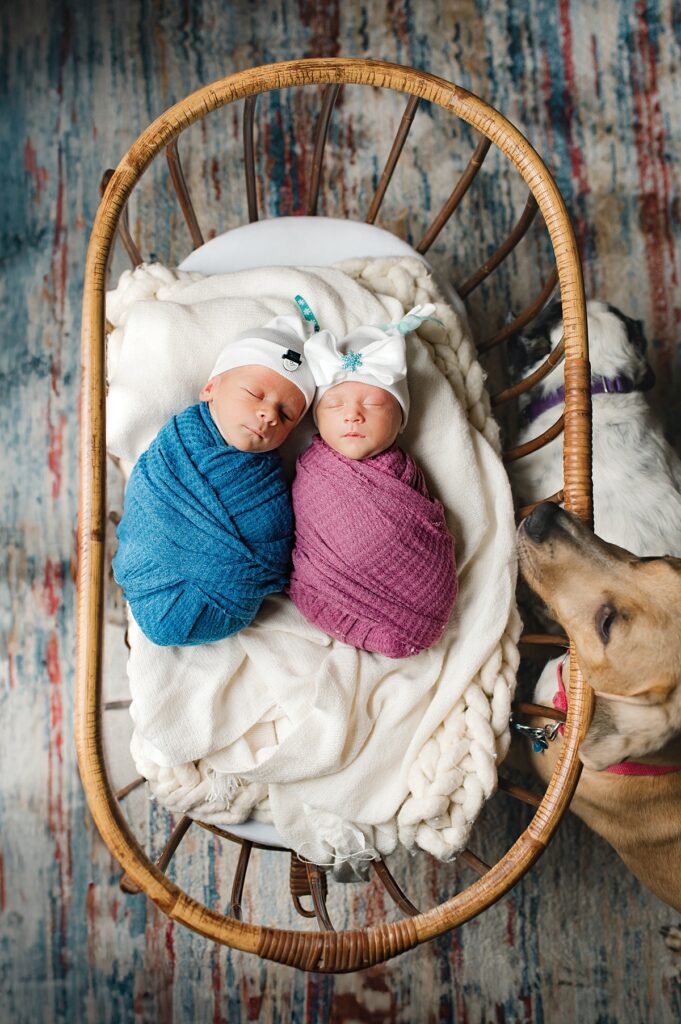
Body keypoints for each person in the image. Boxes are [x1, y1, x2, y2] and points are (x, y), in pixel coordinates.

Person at [113, 312, 316, 646]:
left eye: (286, 415)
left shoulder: (268, 484)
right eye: (255, 394)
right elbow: (146, 490)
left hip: (223, 606)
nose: (268, 414)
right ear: (210, 388)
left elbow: (276, 542)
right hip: (152, 574)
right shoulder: (179, 442)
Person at [288, 306, 459, 658]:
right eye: (334, 405)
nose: (353, 414)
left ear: (400, 423)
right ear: (315, 421)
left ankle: (412, 622)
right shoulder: (311, 469)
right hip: (328, 593)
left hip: (418, 600)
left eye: (373, 403)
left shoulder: (405, 472)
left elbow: (423, 528)